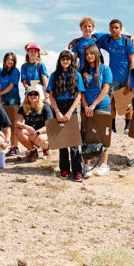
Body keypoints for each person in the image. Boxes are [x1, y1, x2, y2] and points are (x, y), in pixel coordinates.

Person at [46, 50, 86, 182]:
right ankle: (64, 169)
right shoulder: (54, 75)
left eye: (68, 59)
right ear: (60, 60)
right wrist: (57, 112)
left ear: (71, 60)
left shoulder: (77, 75)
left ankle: (77, 172)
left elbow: (79, 95)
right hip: (58, 107)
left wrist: (69, 112)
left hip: (71, 108)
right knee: (62, 142)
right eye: (63, 59)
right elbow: (51, 95)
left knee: (73, 143)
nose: (65, 61)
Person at [96, 19, 134, 133]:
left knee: (126, 102)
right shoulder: (108, 40)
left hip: (125, 77)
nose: (114, 30)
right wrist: (76, 40)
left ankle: (127, 126)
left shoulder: (127, 41)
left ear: (121, 29)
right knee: (111, 102)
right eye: (112, 27)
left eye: (116, 28)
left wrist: (130, 78)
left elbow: (132, 60)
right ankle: (112, 127)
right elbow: (90, 36)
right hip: (113, 77)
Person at [79, 45, 112, 177]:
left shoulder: (105, 69)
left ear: (96, 54)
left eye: (91, 54)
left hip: (102, 105)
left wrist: (93, 105)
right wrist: (87, 106)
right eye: (86, 54)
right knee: (87, 136)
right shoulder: (82, 72)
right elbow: (81, 92)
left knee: (103, 135)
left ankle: (104, 165)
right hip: (86, 107)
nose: (89, 56)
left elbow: (106, 89)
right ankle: (86, 165)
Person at [15, 85, 53, 162]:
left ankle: (46, 149)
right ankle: (33, 151)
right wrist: (26, 127)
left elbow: (50, 125)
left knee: (39, 139)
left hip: (43, 133)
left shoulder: (45, 107)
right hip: (32, 132)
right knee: (17, 131)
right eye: (30, 94)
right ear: (27, 96)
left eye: (35, 94)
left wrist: (38, 132)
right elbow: (16, 122)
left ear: (39, 95)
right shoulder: (23, 107)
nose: (33, 96)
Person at [0, 52, 21, 156]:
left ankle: (15, 147)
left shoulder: (15, 71)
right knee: (8, 124)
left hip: (13, 98)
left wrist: (0, 93)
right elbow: (0, 85)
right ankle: (11, 147)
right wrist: (0, 98)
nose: (10, 61)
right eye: (8, 59)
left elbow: (11, 86)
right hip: (4, 99)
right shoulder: (2, 72)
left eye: (12, 59)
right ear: (5, 61)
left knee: (15, 123)